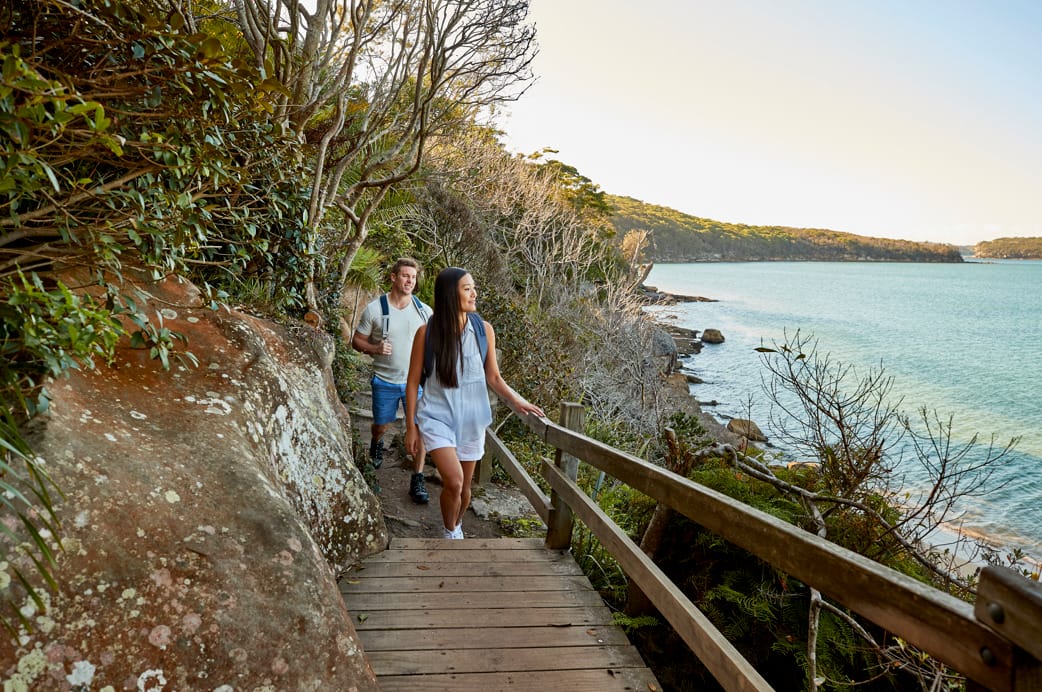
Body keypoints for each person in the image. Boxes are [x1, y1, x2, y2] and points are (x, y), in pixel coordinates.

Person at [404, 267, 544, 539]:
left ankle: (456, 525)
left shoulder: (484, 330)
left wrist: (518, 401)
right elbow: (412, 383)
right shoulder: (426, 334)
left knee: (465, 489)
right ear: (449, 295)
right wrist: (412, 426)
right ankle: (449, 532)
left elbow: (493, 376)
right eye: (467, 288)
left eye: (473, 287)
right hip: (437, 417)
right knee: (454, 483)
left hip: (472, 419)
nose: (474, 293)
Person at [349, 258, 431, 504]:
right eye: (405, 276)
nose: (410, 281)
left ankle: (417, 479)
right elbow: (356, 341)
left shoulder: (424, 312)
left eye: (413, 277)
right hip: (384, 380)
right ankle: (376, 441)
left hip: (414, 384)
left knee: (418, 430)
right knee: (381, 425)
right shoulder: (375, 309)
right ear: (394, 277)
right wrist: (374, 348)